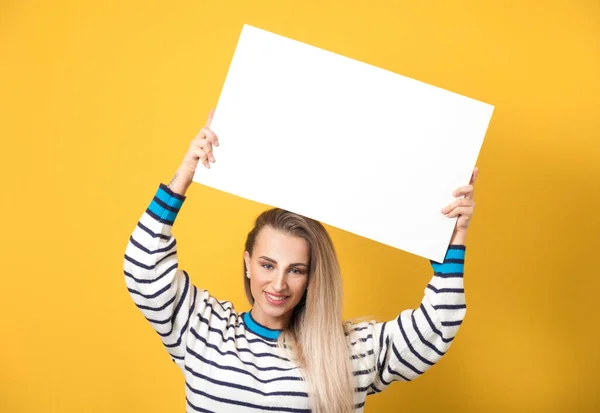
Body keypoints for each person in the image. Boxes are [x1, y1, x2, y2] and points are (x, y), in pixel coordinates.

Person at [123, 110, 477, 413]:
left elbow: (436, 327)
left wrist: (452, 233)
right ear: (247, 263)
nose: (278, 284)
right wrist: (185, 172)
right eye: (267, 265)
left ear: (311, 278)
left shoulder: (347, 351)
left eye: (296, 270)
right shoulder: (203, 329)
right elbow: (142, 270)